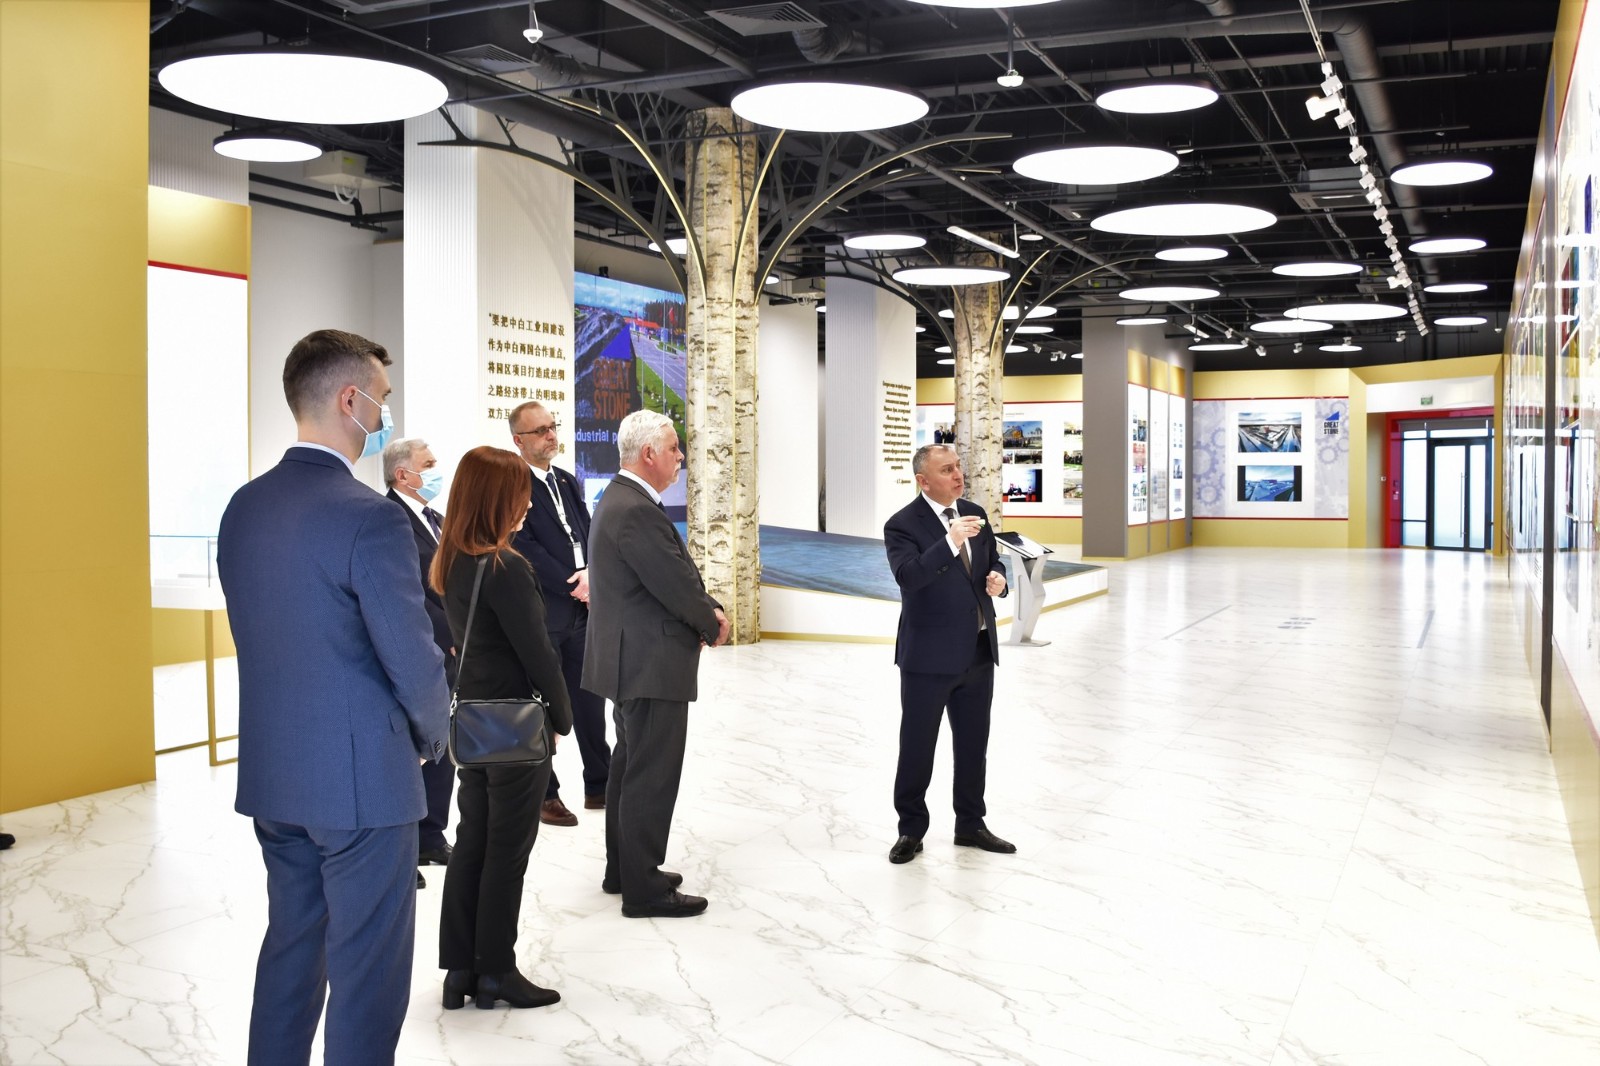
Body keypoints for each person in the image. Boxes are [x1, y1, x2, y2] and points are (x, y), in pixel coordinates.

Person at [217, 329, 451, 1066]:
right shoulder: (370, 516)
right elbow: (410, 654)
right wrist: (433, 737)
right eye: (382, 398)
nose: (385, 413)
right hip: (362, 783)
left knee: (292, 949)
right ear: (351, 400)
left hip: (276, 773)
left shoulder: (243, 507)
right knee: (367, 978)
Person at [431, 446, 573, 1011]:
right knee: (506, 853)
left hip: (474, 723)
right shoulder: (505, 567)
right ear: (497, 500)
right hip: (516, 726)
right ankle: (496, 971)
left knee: (473, 843)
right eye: (520, 494)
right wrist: (562, 717)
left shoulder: (452, 561)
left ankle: (459, 970)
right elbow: (539, 654)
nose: (528, 503)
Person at [582, 410, 727, 918]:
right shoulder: (636, 509)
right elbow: (674, 584)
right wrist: (711, 621)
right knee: (651, 775)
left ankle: (624, 869)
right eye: (673, 448)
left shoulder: (621, 499)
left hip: (631, 660)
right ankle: (643, 888)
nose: (680, 457)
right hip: (649, 663)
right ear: (648, 454)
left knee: (630, 767)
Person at [882, 443, 1014, 866]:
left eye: (958, 467)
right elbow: (909, 577)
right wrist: (949, 541)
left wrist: (999, 580)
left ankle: (971, 824)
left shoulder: (974, 511)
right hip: (928, 657)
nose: (958, 475)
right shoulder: (901, 524)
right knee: (917, 746)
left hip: (978, 650)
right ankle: (910, 829)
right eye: (946, 470)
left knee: (974, 745)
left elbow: (993, 561)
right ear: (923, 481)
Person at [508, 401, 612, 827]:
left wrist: (592, 575)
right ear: (519, 440)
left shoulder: (566, 480)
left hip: (581, 612)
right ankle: (545, 793)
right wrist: (574, 581)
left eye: (552, 427)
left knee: (590, 699)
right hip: (543, 611)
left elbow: (586, 532)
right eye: (540, 430)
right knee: (542, 704)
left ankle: (600, 783)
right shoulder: (513, 483)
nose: (551, 435)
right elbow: (523, 546)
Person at [382, 437, 458, 885]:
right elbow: (407, 593)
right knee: (412, 752)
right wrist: (449, 635)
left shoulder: (436, 518)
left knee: (443, 745)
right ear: (403, 475)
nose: (435, 471)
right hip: (421, 647)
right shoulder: (388, 519)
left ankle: (432, 835)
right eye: (428, 465)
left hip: (448, 654)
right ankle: (403, 849)